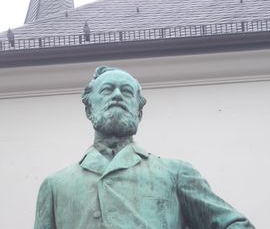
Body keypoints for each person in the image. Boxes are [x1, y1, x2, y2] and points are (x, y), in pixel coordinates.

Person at [34, 66, 255, 229]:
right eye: (107, 90)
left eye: (127, 92)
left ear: (138, 113)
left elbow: (235, 225)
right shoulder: (55, 186)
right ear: (89, 110)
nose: (117, 95)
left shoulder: (175, 173)